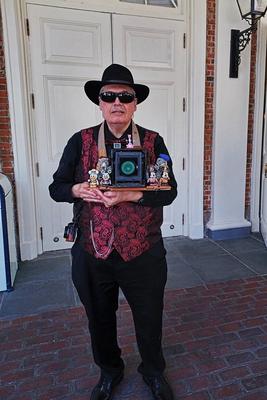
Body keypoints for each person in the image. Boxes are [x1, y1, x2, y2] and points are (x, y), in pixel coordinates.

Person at [49, 64, 177, 400]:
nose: (117, 101)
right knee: (99, 319)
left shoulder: (153, 141)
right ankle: (110, 372)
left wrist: (130, 194)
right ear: (100, 102)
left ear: (135, 103)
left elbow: (169, 191)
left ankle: (153, 371)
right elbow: (56, 187)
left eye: (125, 96)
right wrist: (78, 189)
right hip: (93, 251)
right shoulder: (81, 141)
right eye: (109, 96)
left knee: (149, 318)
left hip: (143, 250)